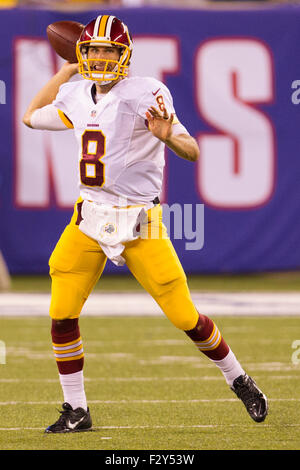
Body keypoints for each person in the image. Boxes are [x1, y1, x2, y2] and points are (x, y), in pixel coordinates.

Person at [23, 14, 268, 433]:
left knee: (184, 317)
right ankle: (76, 409)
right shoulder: (77, 93)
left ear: (125, 54)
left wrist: (168, 134)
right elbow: (31, 116)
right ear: (82, 53)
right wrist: (66, 69)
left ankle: (238, 378)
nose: (99, 58)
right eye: (91, 50)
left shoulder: (147, 92)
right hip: (88, 217)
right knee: (61, 314)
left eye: (107, 50)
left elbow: (191, 150)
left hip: (141, 220)